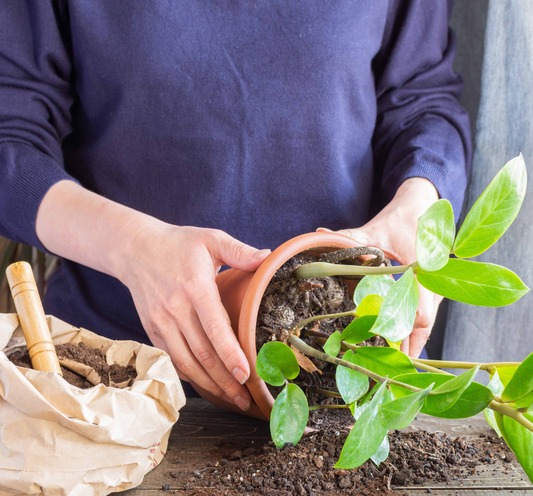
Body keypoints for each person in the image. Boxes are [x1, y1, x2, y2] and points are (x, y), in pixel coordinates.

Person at [0, 1, 471, 412]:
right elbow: (11, 136)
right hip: (110, 377)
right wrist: (132, 248)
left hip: (342, 376)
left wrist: (418, 206)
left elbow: (422, 101)